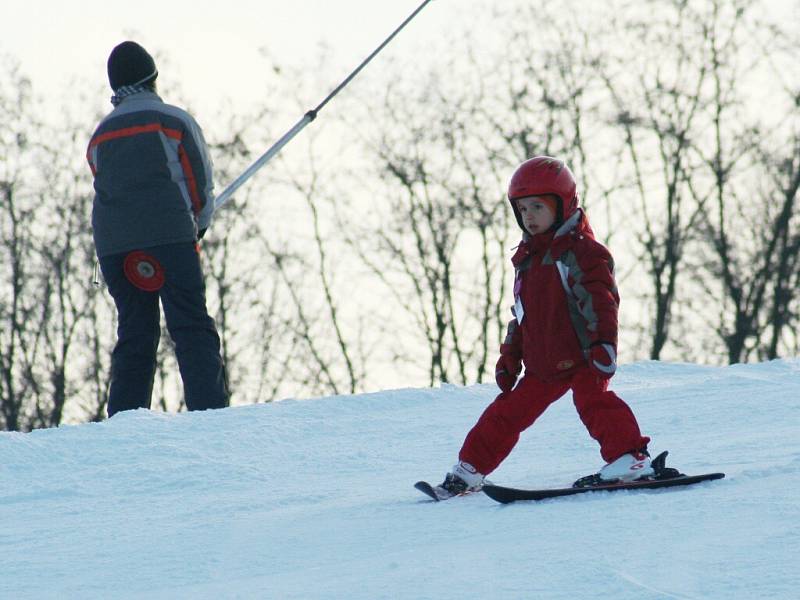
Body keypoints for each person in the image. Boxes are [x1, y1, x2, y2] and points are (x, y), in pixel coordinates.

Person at [436, 156, 652, 497]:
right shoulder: (526, 260)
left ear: (563, 205)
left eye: (538, 206)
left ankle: (630, 458)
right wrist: (511, 355)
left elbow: (601, 302)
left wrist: (603, 344)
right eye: (522, 209)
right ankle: (469, 469)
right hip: (543, 364)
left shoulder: (582, 254)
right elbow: (522, 313)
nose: (529, 216)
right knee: (504, 414)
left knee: (595, 403)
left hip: (583, 356)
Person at [86, 41, 229, 417]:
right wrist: (197, 224)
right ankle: (210, 413)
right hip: (169, 235)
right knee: (190, 323)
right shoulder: (173, 121)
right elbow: (199, 183)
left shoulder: (99, 137)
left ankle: (125, 419)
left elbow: (104, 187)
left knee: (135, 331)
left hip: (115, 247)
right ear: (153, 77)